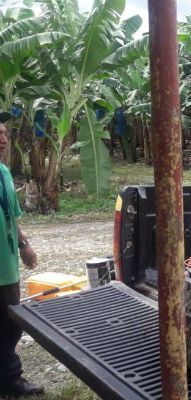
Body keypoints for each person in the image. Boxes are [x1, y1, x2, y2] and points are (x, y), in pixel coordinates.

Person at [0, 111, 43, 397]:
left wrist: (24, 245)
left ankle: (10, 380)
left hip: (6, 269)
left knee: (9, 326)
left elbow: (11, 216)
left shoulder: (3, 172)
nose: (3, 140)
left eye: (4, 134)